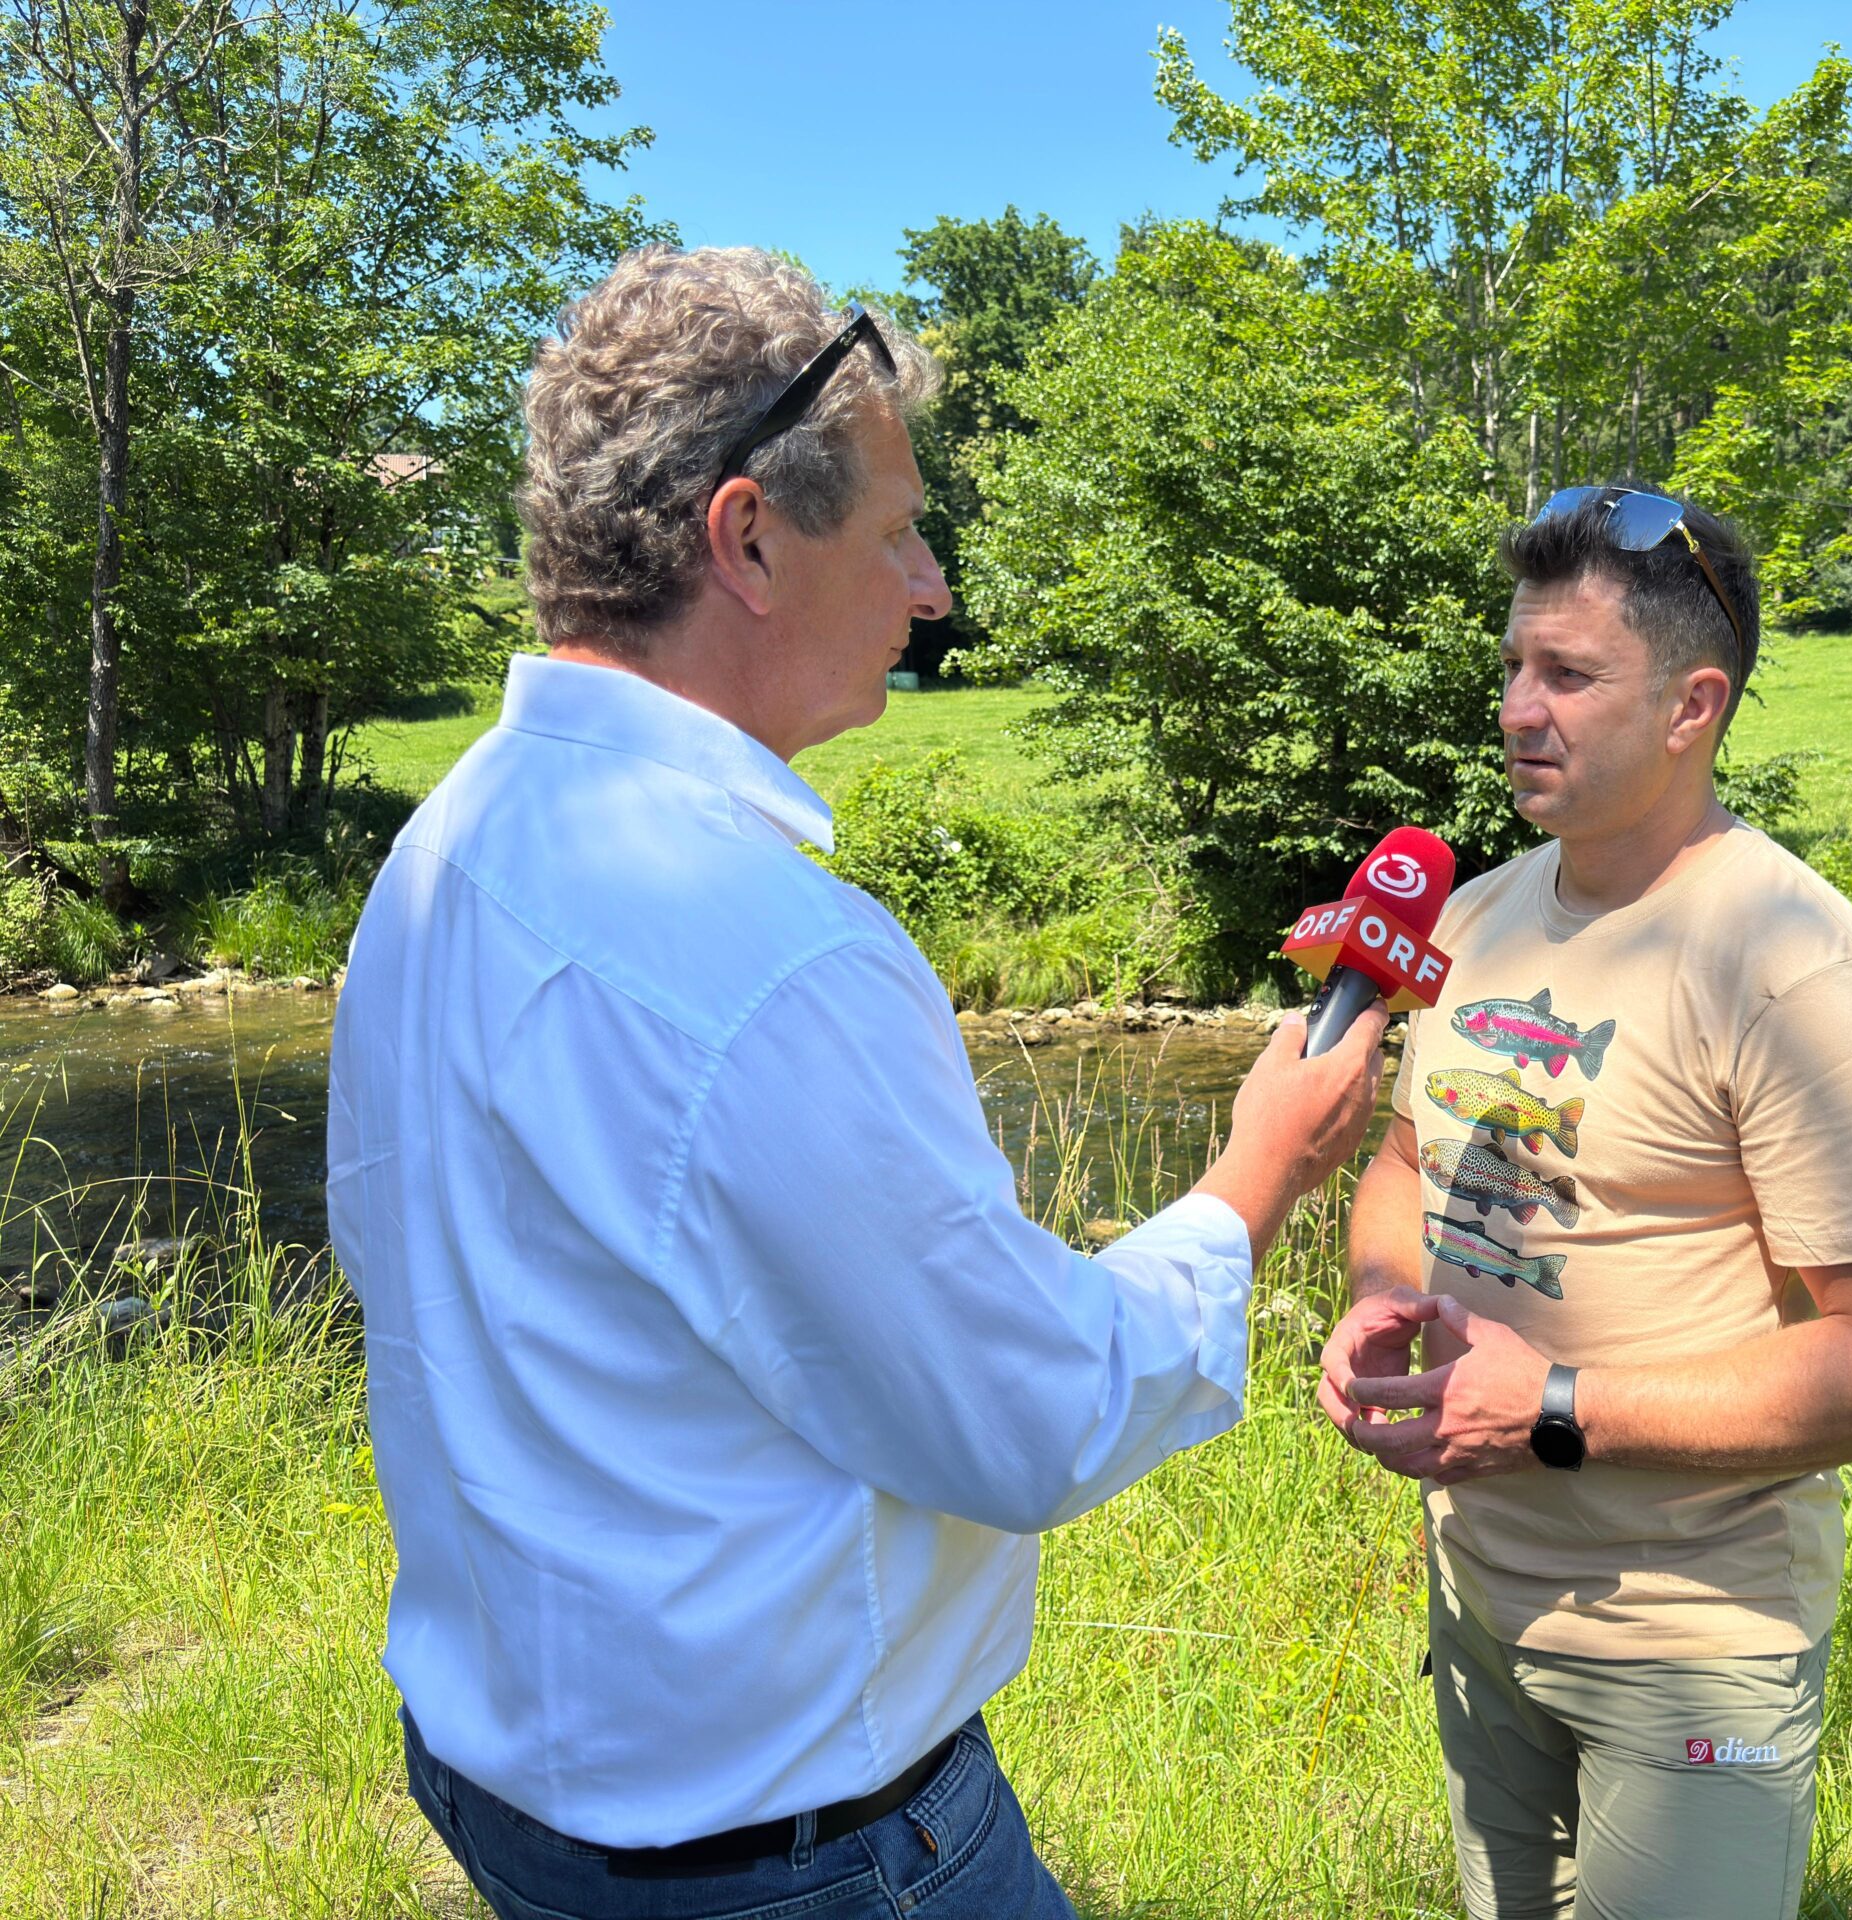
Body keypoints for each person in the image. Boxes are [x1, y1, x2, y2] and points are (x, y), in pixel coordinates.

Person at [327, 245, 1386, 1920]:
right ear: (746, 537)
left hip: (522, 1798)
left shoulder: (451, 840)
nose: (935, 583)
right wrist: (1255, 1179)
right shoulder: (764, 951)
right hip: (799, 1860)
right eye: (897, 528)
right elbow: (1024, 1417)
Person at [1318, 486, 1852, 1919]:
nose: (1517, 711)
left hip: (1690, 1645)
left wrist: (1549, 1408)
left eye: (1567, 676)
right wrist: (1379, 1301)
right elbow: (1404, 1167)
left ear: (1692, 707)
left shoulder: (1797, 966)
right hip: (1480, 1606)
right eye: (1511, 668)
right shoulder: (1479, 915)